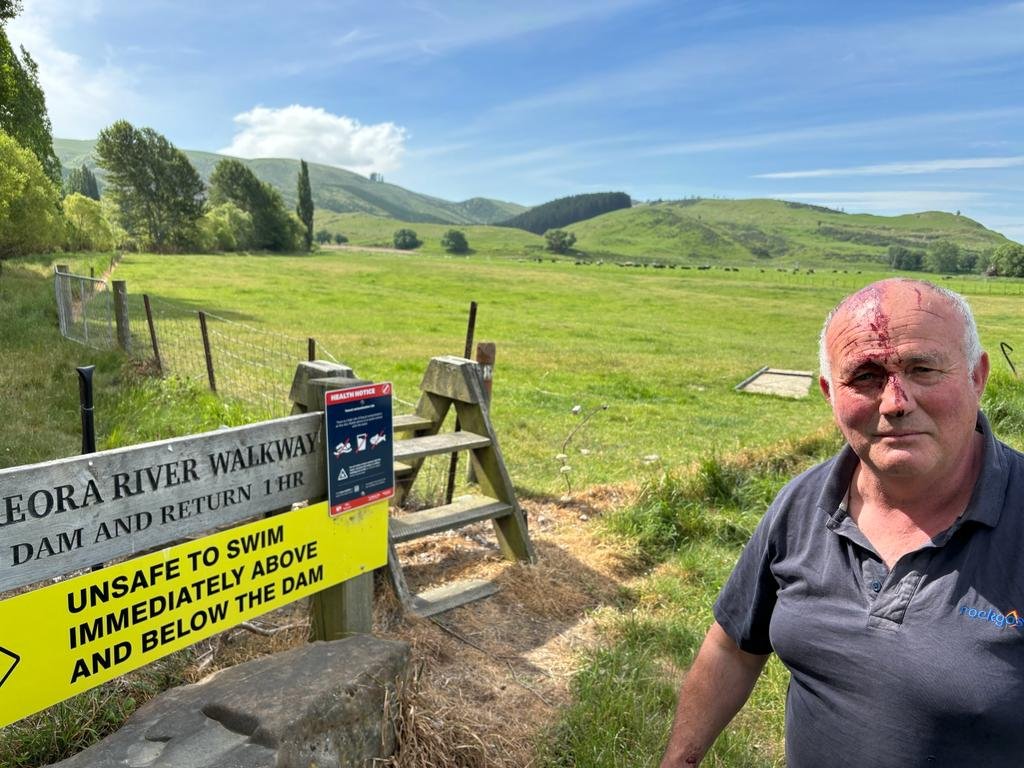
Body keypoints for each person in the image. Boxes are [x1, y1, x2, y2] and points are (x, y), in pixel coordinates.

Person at [660, 278, 1024, 767]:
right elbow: (732, 647)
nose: (896, 401)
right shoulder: (804, 502)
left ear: (976, 378)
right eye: (867, 376)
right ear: (831, 394)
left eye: (923, 368)